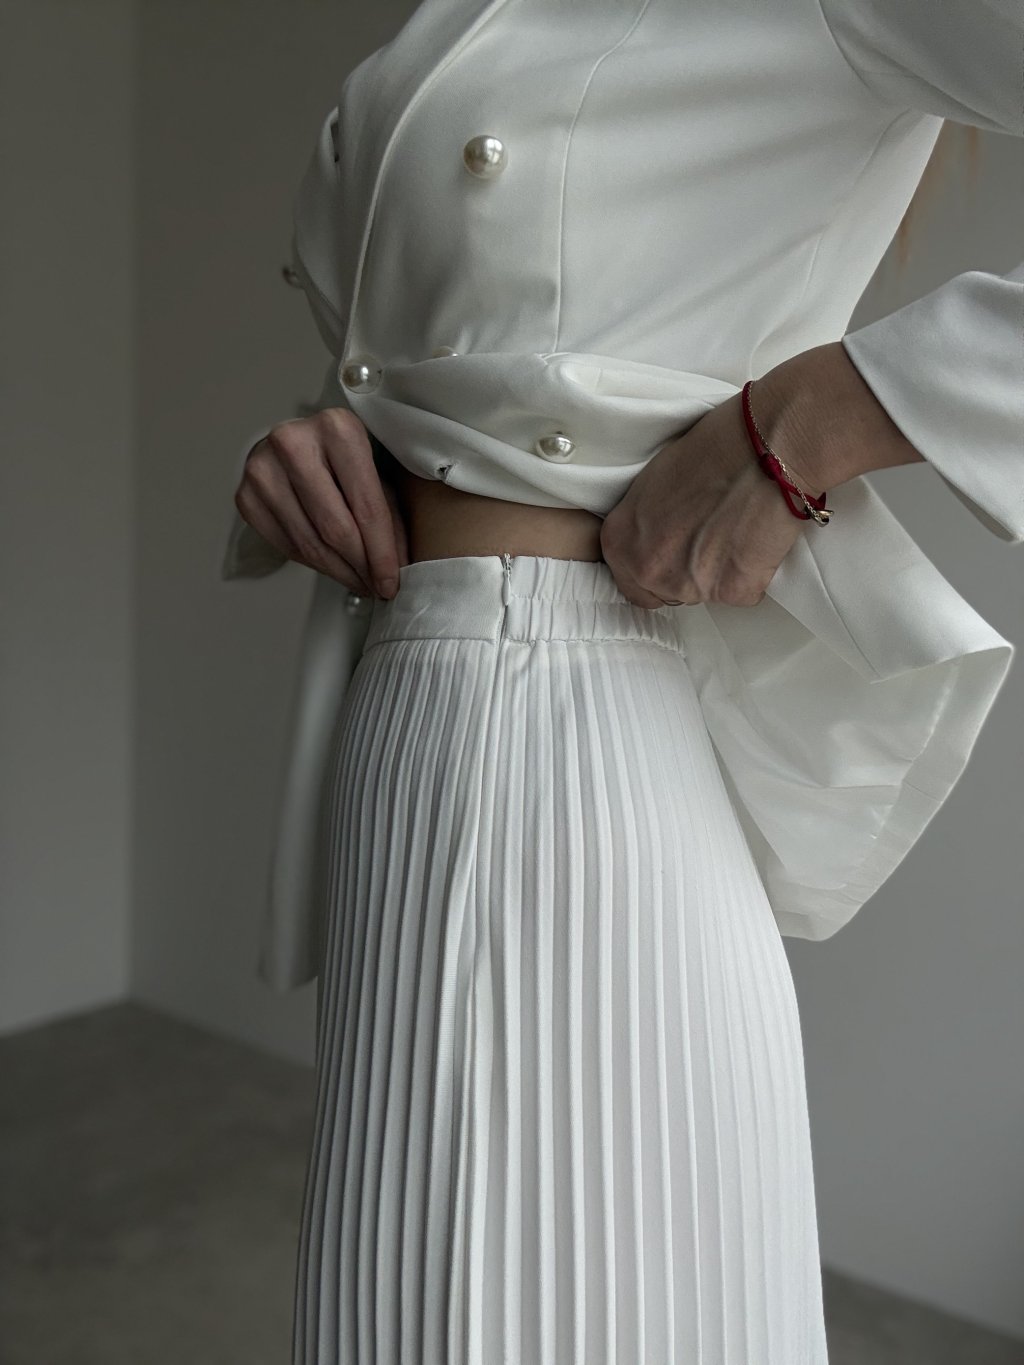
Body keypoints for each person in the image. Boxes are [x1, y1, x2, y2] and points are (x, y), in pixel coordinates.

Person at [221, 0, 1021, 1359]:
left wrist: (825, 413)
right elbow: (468, 355)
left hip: (564, 748)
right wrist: (317, 442)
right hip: (408, 723)